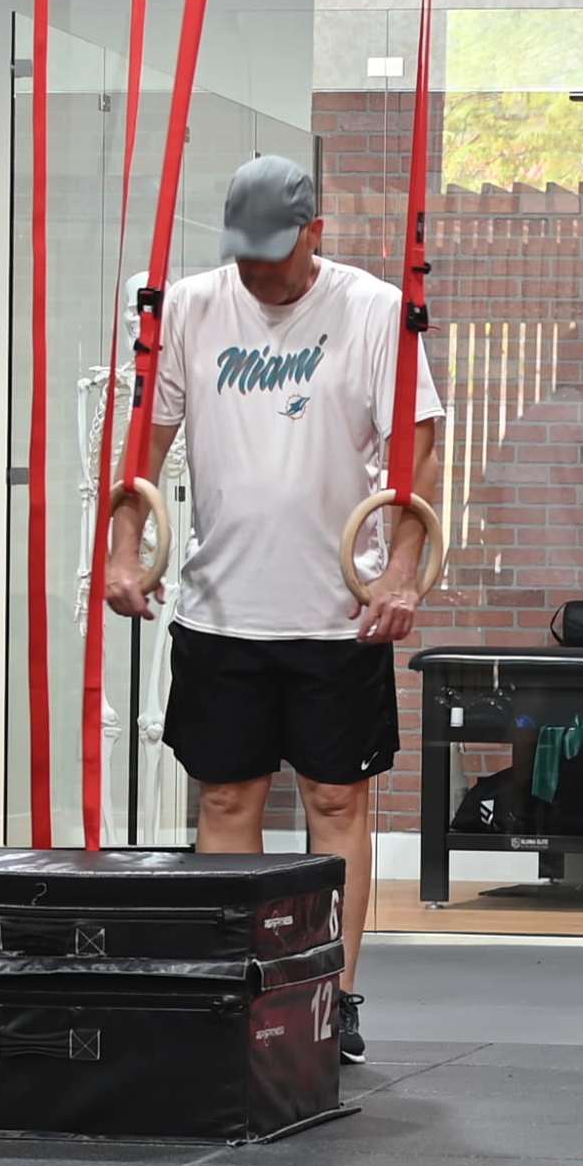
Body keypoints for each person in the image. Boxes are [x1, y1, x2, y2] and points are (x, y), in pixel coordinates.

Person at [103, 156, 441, 1067]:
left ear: (315, 232)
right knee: (226, 794)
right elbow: (145, 444)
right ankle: (233, 982)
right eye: (244, 254)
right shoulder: (191, 307)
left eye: (276, 255)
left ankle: (337, 991)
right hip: (221, 602)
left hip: (339, 608)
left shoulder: (370, 310)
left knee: (336, 797)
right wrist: (123, 548)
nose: (258, 273)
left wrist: (403, 573)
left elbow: (418, 444)